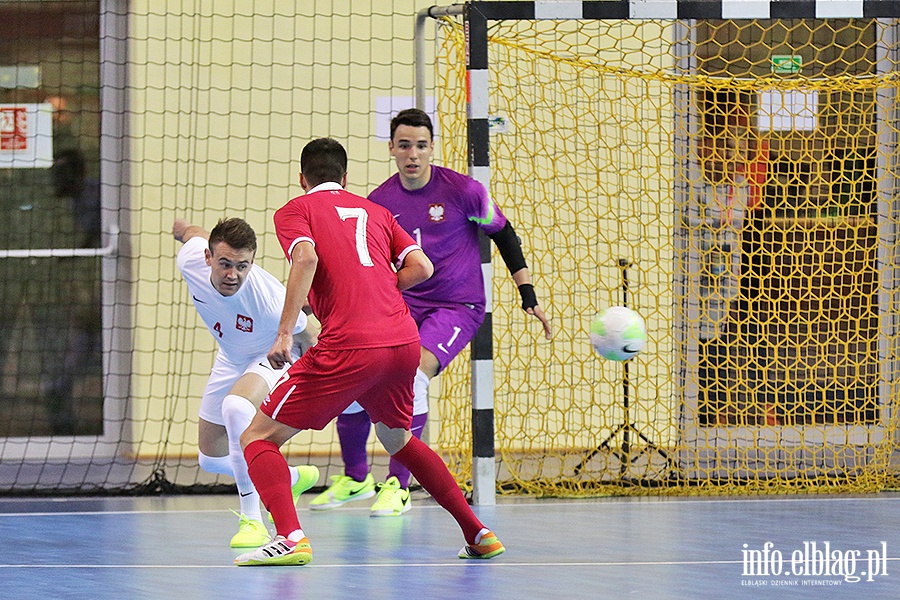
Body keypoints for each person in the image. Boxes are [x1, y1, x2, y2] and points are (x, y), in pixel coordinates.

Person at [234, 137, 505, 566]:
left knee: (256, 437)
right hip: (400, 342)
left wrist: (285, 331)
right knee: (397, 438)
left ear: (302, 179)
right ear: (345, 179)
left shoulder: (295, 209)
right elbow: (423, 268)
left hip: (350, 344)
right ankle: (479, 532)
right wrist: (376, 289)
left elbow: (304, 258)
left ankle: (289, 537)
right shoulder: (377, 211)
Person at [309, 107, 552, 517]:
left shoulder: (464, 192)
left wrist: (527, 292)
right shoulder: (379, 203)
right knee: (354, 374)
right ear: (391, 148)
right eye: (404, 145)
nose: (413, 154)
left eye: (421, 145)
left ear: (432, 148)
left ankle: (399, 486)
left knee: (412, 372)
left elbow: (504, 233)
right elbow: (364, 262)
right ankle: (354, 478)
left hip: (458, 306)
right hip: (401, 304)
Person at [173, 217, 320, 548]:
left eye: (242, 266)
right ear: (208, 258)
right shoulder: (191, 260)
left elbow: (305, 332)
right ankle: (288, 478)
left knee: (236, 407)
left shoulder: (268, 299)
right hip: (230, 356)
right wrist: (180, 228)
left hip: (273, 354)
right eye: (225, 264)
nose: (232, 274)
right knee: (209, 459)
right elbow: (191, 234)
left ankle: (253, 521)